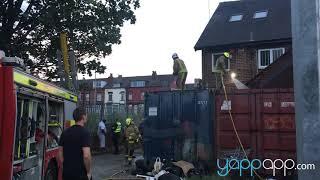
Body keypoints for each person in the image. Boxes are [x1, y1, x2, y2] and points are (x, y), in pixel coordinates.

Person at [59, 107, 92, 180]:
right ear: (83, 117)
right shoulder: (85, 133)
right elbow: (86, 156)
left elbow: (60, 152)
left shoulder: (65, 132)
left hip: (67, 173)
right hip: (80, 175)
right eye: (86, 115)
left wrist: (64, 167)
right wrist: (89, 172)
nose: (87, 117)